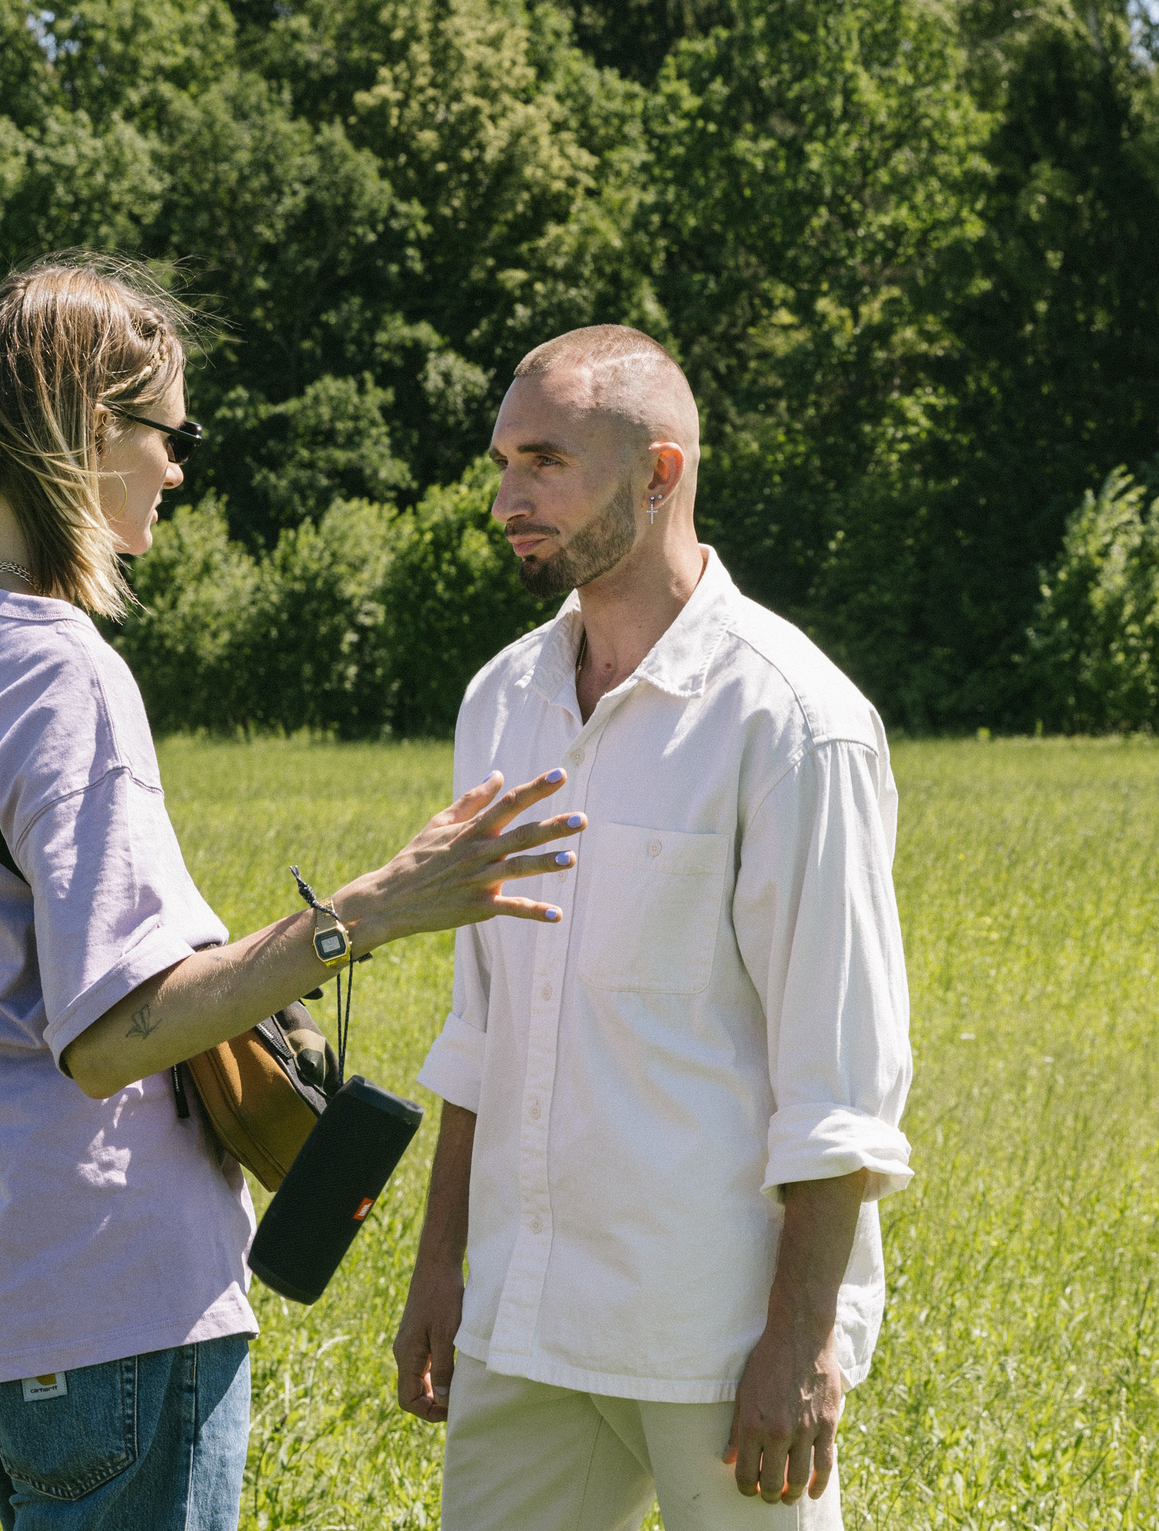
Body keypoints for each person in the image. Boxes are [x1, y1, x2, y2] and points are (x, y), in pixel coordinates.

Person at [0, 253, 583, 1531]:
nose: (179, 466)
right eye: (170, 431)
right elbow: (108, 1040)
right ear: (94, 429)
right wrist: (370, 909)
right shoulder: (64, 678)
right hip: (115, 1290)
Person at [391, 325, 915, 1531]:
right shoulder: (501, 702)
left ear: (661, 473)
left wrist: (798, 1342)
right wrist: (441, 1265)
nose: (505, 499)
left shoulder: (792, 723)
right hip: (523, 1320)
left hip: (714, 1335)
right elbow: (485, 1020)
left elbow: (839, 1077)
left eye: (545, 464)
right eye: (502, 462)